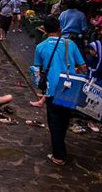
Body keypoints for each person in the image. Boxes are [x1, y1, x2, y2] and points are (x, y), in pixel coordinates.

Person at [34, 16, 86, 166]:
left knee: (54, 122)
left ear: (44, 30)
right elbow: (83, 67)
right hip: (70, 89)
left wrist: (41, 87)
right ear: (59, 29)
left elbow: (37, 70)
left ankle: (59, 155)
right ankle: (60, 148)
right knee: (64, 120)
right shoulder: (70, 44)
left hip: (52, 89)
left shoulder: (40, 47)